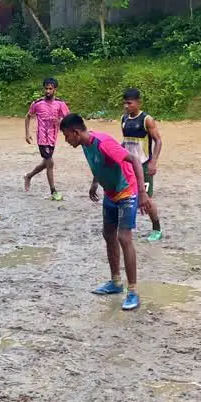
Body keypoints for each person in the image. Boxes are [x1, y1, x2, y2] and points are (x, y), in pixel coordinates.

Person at [60, 113, 150, 311]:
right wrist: (95, 183)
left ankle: (133, 291)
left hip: (127, 191)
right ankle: (116, 282)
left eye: (66, 136)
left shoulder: (103, 143)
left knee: (124, 238)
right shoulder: (84, 143)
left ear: (75, 132)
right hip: (110, 193)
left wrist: (143, 194)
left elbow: (134, 160)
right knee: (108, 235)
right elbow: (97, 164)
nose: (66, 141)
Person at [122, 88, 165, 242]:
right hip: (128, 166)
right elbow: (126, 142)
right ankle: (125, 227)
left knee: (146, 199)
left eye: (129, 103)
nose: (126, 106)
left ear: (138, 102)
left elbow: (158, 140)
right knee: (125, 196)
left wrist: (153, 162)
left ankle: (157, 229)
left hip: (144, 165)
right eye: (124, 103)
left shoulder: (147, 120)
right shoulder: (124, 119)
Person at [24, 78, 71, 201]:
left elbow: (69, 120)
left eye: (50, 89)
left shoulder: (60, 104)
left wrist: (60, 122)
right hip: (42, 138)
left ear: (55, 89)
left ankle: (29, 176)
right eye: (46, 88)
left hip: (53, 138)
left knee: (46, 162)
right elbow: (28, 116)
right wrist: (27, 133)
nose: (48, 91)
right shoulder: (37, 103)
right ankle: (53, 191)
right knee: (50, 163)